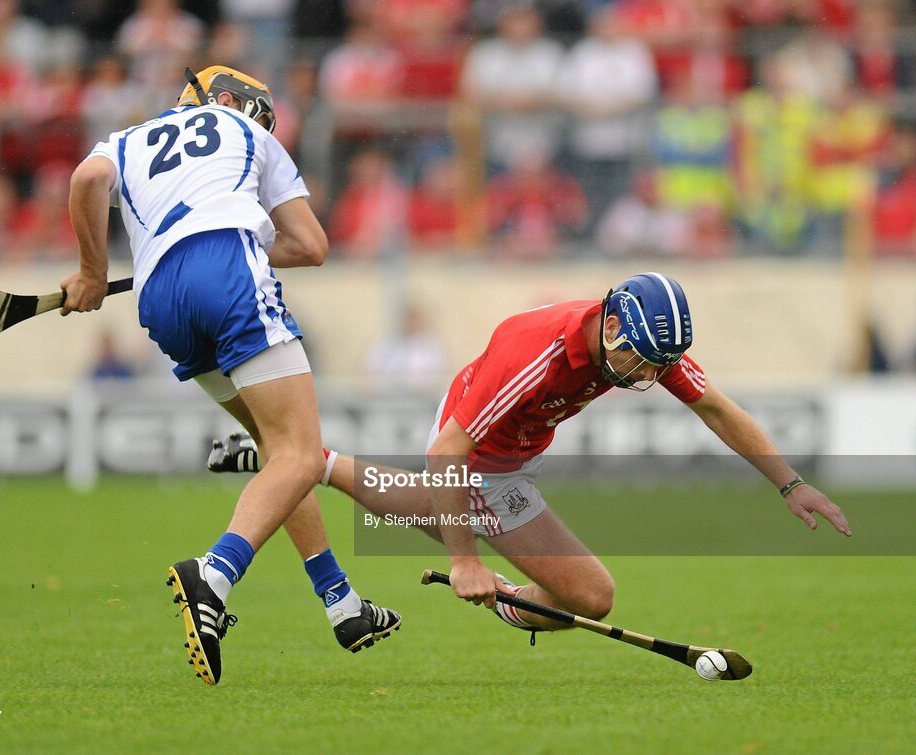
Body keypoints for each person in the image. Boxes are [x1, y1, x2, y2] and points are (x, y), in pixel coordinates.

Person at [211, 273, 852, 639]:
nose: (650, 377)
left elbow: (716, 407)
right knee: (592, 595)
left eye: (661, 365)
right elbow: (447, 452)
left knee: (430, 512)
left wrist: (791, 485)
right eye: (641, 362)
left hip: (513, 451)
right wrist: (465, 564)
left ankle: (299, 461)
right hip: (477, 449)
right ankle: (301, 463)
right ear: (610, 327)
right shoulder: (539, 360)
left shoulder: (641, 343)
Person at [62, 65, 400, 686]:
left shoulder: (128, 140)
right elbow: (313, 246)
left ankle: (341, 603)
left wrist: (89, 270)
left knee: (280, 451)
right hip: (228, 271)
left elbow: (86, 180)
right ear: (225, 99)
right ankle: (212, 575)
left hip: (160, 298)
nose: (263, 122)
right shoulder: (245, 130)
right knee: (299, 452)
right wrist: (242, 233)